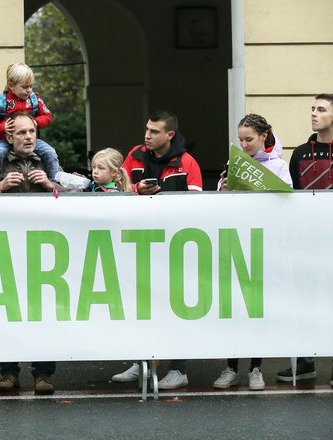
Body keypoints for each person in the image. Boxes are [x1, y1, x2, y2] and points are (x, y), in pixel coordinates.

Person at [0, 111, 59, 394]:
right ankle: (8, 373)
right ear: (9, 136)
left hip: (42, 248)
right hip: (5, 248)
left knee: (43, 314)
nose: (28, 137)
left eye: (32, 131)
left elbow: (70, 195)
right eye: (21, 133)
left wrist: (50, 185)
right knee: (7, 312)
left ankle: (43, 375)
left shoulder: (47, 161)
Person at [112, 110, 202, 390]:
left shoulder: (187, 162)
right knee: (141, 307)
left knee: (173, 309)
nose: (147, 136)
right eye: (146, 130)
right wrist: (137, 189)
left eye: (154, 131)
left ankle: (179, 369)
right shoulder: (134, 155)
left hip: (174, 246)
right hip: (138, 242)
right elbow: (117, 190)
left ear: (169, 135)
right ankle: (142, 364)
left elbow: (199, 206)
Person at [277, 93, 333, 387]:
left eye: (321, 109)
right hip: (305, 241)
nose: (314, 113)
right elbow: (292, 197)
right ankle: (305, 362)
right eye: (312, 108)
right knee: (304, 300)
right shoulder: (299, 153)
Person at [213, 114, 292, 391]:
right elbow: (222, 205)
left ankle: (256, 368)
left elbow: (287, 200)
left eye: (249, 139)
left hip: (263, 244)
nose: (244, 144)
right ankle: (231, 367)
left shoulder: (279, 166)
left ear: (264, 136)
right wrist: (222, 187)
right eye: (240, 140)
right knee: (232, 308)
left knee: (256, 308)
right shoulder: (233, 164)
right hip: (235, 242)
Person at [0, 63, 58, 183]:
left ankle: (54, 181)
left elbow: (47, 116)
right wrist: (3, 127)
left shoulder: (34, 100)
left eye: (30, 86)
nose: (28, 90)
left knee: (50, 152)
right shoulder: (0, 102)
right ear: (11, 85)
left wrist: (36, 122)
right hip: (5, 141)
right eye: (24, 87)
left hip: (31, 140)